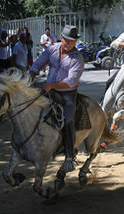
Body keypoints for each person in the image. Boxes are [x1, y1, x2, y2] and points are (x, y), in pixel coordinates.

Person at [30, 25, 84, 172]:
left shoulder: (77, 58)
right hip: (49, 89)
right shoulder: (52, 50)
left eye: (72, 41)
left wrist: (51, 85)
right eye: (67, 40)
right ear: (61, 38)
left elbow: (71, 82)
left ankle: (69, 156)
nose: (69, 43)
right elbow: (38, 63)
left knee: (68, 120)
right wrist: (31, 75)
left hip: (67, 94)